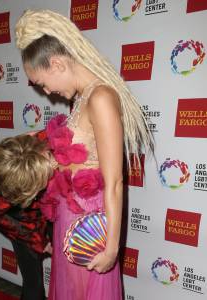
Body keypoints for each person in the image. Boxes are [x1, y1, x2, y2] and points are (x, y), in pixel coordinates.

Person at [15, 10, 154, 300]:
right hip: (70, 218)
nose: (46, 91)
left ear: (57, 63)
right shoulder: (81, 98)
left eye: (42, 82)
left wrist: (111, 246)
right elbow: (77, 160)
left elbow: (114, 181)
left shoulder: (101, 97)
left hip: (91, 224)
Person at [0, 134, 53, 300]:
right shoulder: (9, 184)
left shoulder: (55, 140)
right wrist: (38, 241)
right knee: (34, 283)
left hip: (55, 215)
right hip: (24, 225)